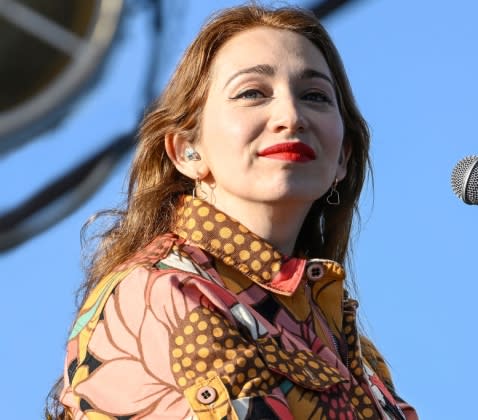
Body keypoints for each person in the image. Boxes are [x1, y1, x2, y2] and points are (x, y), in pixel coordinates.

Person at [47, 4, 418, 419]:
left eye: (314, 96)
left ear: (342, 160)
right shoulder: (167, 291)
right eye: (252, 93)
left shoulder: (356, 355)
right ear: (187, 150)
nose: (290, 117)